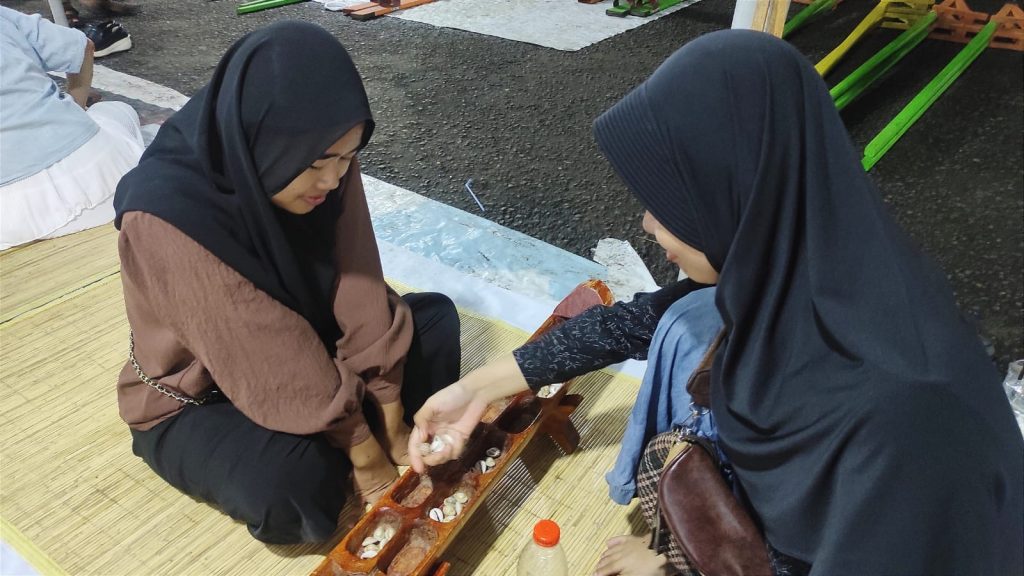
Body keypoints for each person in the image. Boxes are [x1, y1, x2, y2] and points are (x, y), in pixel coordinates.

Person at [409, 30, 1024, 576]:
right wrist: (476, 389)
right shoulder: (805, 258)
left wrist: (676, 566)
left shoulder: (902, 419)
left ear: (734, 190)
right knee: (683, 322)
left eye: (669, 202)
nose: (648, 224)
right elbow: (631, 324)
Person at [112, 21, 460, 545]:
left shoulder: (323, 148)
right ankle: (332, 442)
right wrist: (364, 451)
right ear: (263, 143)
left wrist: (391, 418)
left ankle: (336, 428)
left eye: (347, 159)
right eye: (319, 164)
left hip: (310, 348)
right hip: (207, 391)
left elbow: (358, 275)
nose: (333, 180)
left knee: (433, 322)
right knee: (290, 487)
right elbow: (262, 348)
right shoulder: (165, 215)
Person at [0, 6, 143, 251]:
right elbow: (85, 46)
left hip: (12, 222)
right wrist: (78, 108)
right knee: (118, 111)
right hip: (105, 179)